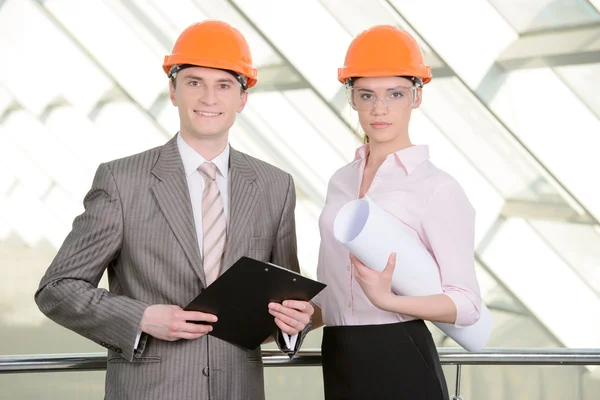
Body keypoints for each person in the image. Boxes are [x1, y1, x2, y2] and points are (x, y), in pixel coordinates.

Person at [34, 20, 314, 400]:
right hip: (151, 390)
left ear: (242, 98)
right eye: (195, 82)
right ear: (173, 90)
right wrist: (142, 318)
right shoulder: (122, 180)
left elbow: (285, 296)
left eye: (224, 85)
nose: (209, 98)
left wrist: (294, 322)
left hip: (239, 389)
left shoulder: (274, 185)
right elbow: (57, 288)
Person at [310, 25, 483, 399]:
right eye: (366, 94)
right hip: (338, 353)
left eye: (395, 94)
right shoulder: (340, 180)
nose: (379, 108)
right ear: (352, 98)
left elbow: (467, 305)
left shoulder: (437, 187)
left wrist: (389, 301)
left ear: (416, 97)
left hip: (400, 353)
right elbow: (333, 292)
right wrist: (297, 316)